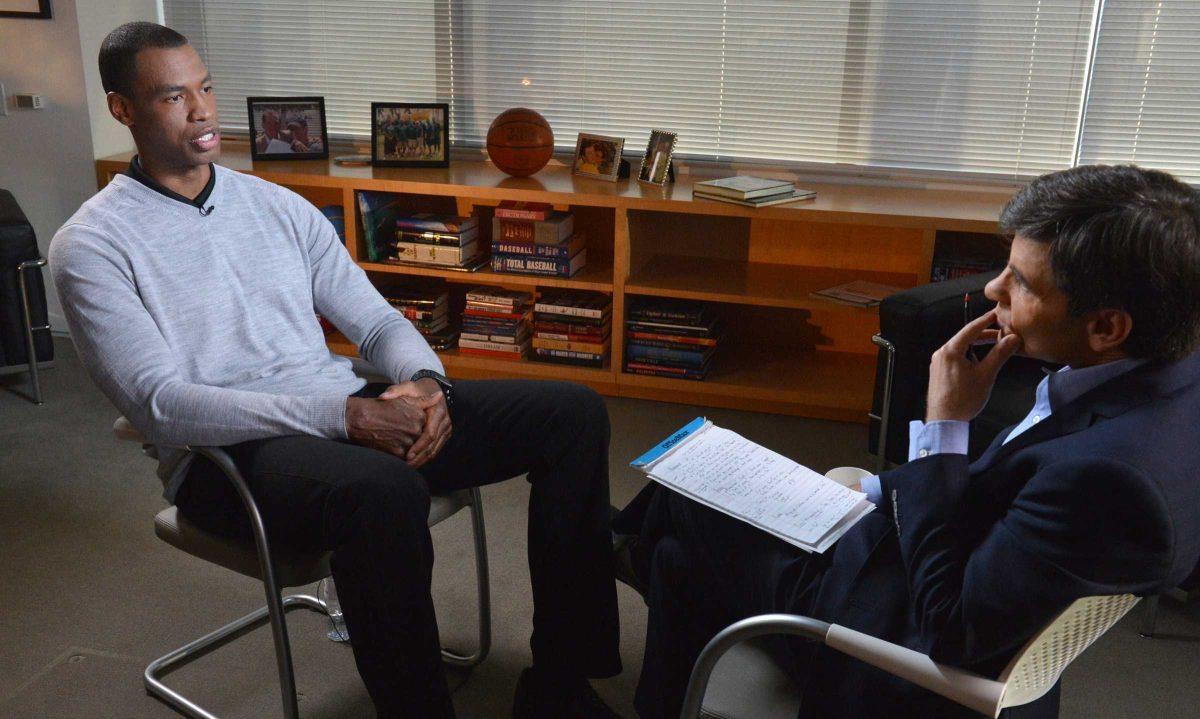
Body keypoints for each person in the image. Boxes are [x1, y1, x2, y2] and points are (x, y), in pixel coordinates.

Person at [50, 22, 622, 719]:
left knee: (572, 414)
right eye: (173, 96)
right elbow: (160, 405)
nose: (202, 111)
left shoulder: (275, 206)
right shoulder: (92, 244)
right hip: (226, 457)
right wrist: (347, 415)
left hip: (343, 406)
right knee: (382, 492)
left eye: (206, 88)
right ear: (123, 109)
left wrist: (428, 384)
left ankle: (559, 684)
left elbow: (376, 322)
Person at [618, 163, 1200, 718]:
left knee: (684, 514)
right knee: (681, 536)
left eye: (1020, 282)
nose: (993, 288)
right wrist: (876, 488)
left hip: (900, 646)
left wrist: (945, 426)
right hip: (950, 556)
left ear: (1105, 327)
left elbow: (947, 627)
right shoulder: (1172, 376)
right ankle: (632, 577)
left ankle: (612, 560)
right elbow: (1010, 502)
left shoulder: (1111, 482)